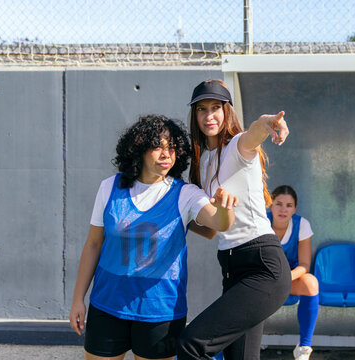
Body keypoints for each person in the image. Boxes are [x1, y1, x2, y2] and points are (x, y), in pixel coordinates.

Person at [69, 115, 238, 360]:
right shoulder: (109, 187)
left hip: (160, 311)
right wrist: (77, 299)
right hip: (107, 305)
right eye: (158, 146)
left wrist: (225, 208)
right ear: (138, 148)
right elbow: (94, 244)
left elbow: (220, 223)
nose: (166, 154)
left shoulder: (185, 194)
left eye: (172, 148)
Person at [176, 79, 292, 360]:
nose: (209, 116)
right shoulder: (202, 162)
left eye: (216, 107)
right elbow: (212, 230)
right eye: (202, 109)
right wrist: (175, 219)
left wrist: (267, 122)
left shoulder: (238, 147)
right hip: (231, 267)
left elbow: (254, 133)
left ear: (227, 111)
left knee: (192, 345)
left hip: (263, 265)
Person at [268, 185, 319, 360]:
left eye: (289, 205)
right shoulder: (261, 223)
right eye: (279, 204)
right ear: (270, 205)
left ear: (294, 209)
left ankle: (304, 348)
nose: (283, 209)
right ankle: (228, 347)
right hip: (263, 280)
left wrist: (285, 278)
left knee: (311, 283)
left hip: (289, 279)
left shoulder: (302, 225)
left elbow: (304, 265)